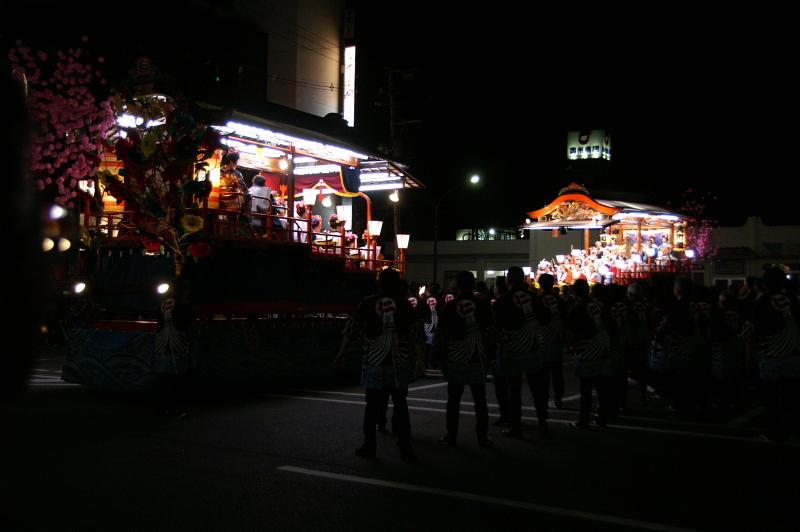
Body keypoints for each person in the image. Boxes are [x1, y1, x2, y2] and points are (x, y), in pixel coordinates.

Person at [334, 269, 426, 459]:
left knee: (372, 406)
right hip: (399, 362)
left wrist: (341, 353)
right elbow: (417, 334)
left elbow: (351, 328)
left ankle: (370, 445)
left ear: (379, 283)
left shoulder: (368, 302)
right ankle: (405, 447)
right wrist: (420, 360)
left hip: (374, 363)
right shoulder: (405, 305)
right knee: (400, 405)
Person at [436, 271, 495, 449]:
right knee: (480, 400)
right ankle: (482, 436)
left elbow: (442, 335)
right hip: (477, 357)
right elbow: (490, 333)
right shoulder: (482, 304)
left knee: (454, 400)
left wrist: (441, 359)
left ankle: (451, 435)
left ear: (458, 286)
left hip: (456, 358)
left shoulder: (450, 306)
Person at [493, 266, 550, 438]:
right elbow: (546, 318)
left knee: (514, 390)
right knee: (537, 389)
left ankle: (516, 427)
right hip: (533, 347)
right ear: (523, 279)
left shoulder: (504, 300)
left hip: (512, 349)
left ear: (508, 280)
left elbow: (497, 326)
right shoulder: (534, 298)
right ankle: (542, 423)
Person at [153, 279, 193, 419]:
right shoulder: (183, 305)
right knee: (175, 378)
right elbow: (186, 324)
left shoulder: (163, 303)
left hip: (162, 343)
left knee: (163, 378)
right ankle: (173, 409)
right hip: (177, 344)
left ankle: (161, 409)